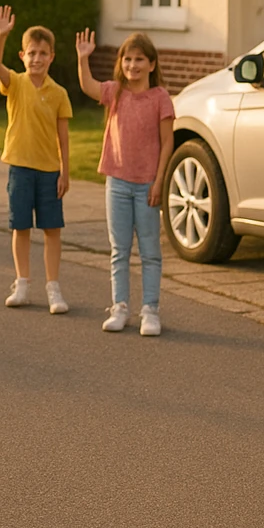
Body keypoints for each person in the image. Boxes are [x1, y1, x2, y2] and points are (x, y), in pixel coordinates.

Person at [76, 30, 175, 336]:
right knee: (119, 250)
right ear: (121, 63)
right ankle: (119, 307)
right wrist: (83, 58)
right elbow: (88, 86)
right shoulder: (115, 92)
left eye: (139, 59)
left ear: (151, 63)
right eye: (128, 59)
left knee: (149, 251)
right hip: (117, 182)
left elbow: (168, 143)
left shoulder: (160, 98)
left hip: (147, 185)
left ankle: (150, 311)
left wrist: (159, 182)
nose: (133, 65)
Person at [0, 6, 72, 314]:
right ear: (22, 56)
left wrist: (66, 171)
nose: (37, 58)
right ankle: (22, 282)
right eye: (32, 53)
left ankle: (54, 288)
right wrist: (1, 35)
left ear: (51, 57)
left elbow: (63, 137)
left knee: (52, 230)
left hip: (50, 172)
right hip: (20, 169)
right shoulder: (15, 83)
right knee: (20, 227)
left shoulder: (59, 93)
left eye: (43, 53)